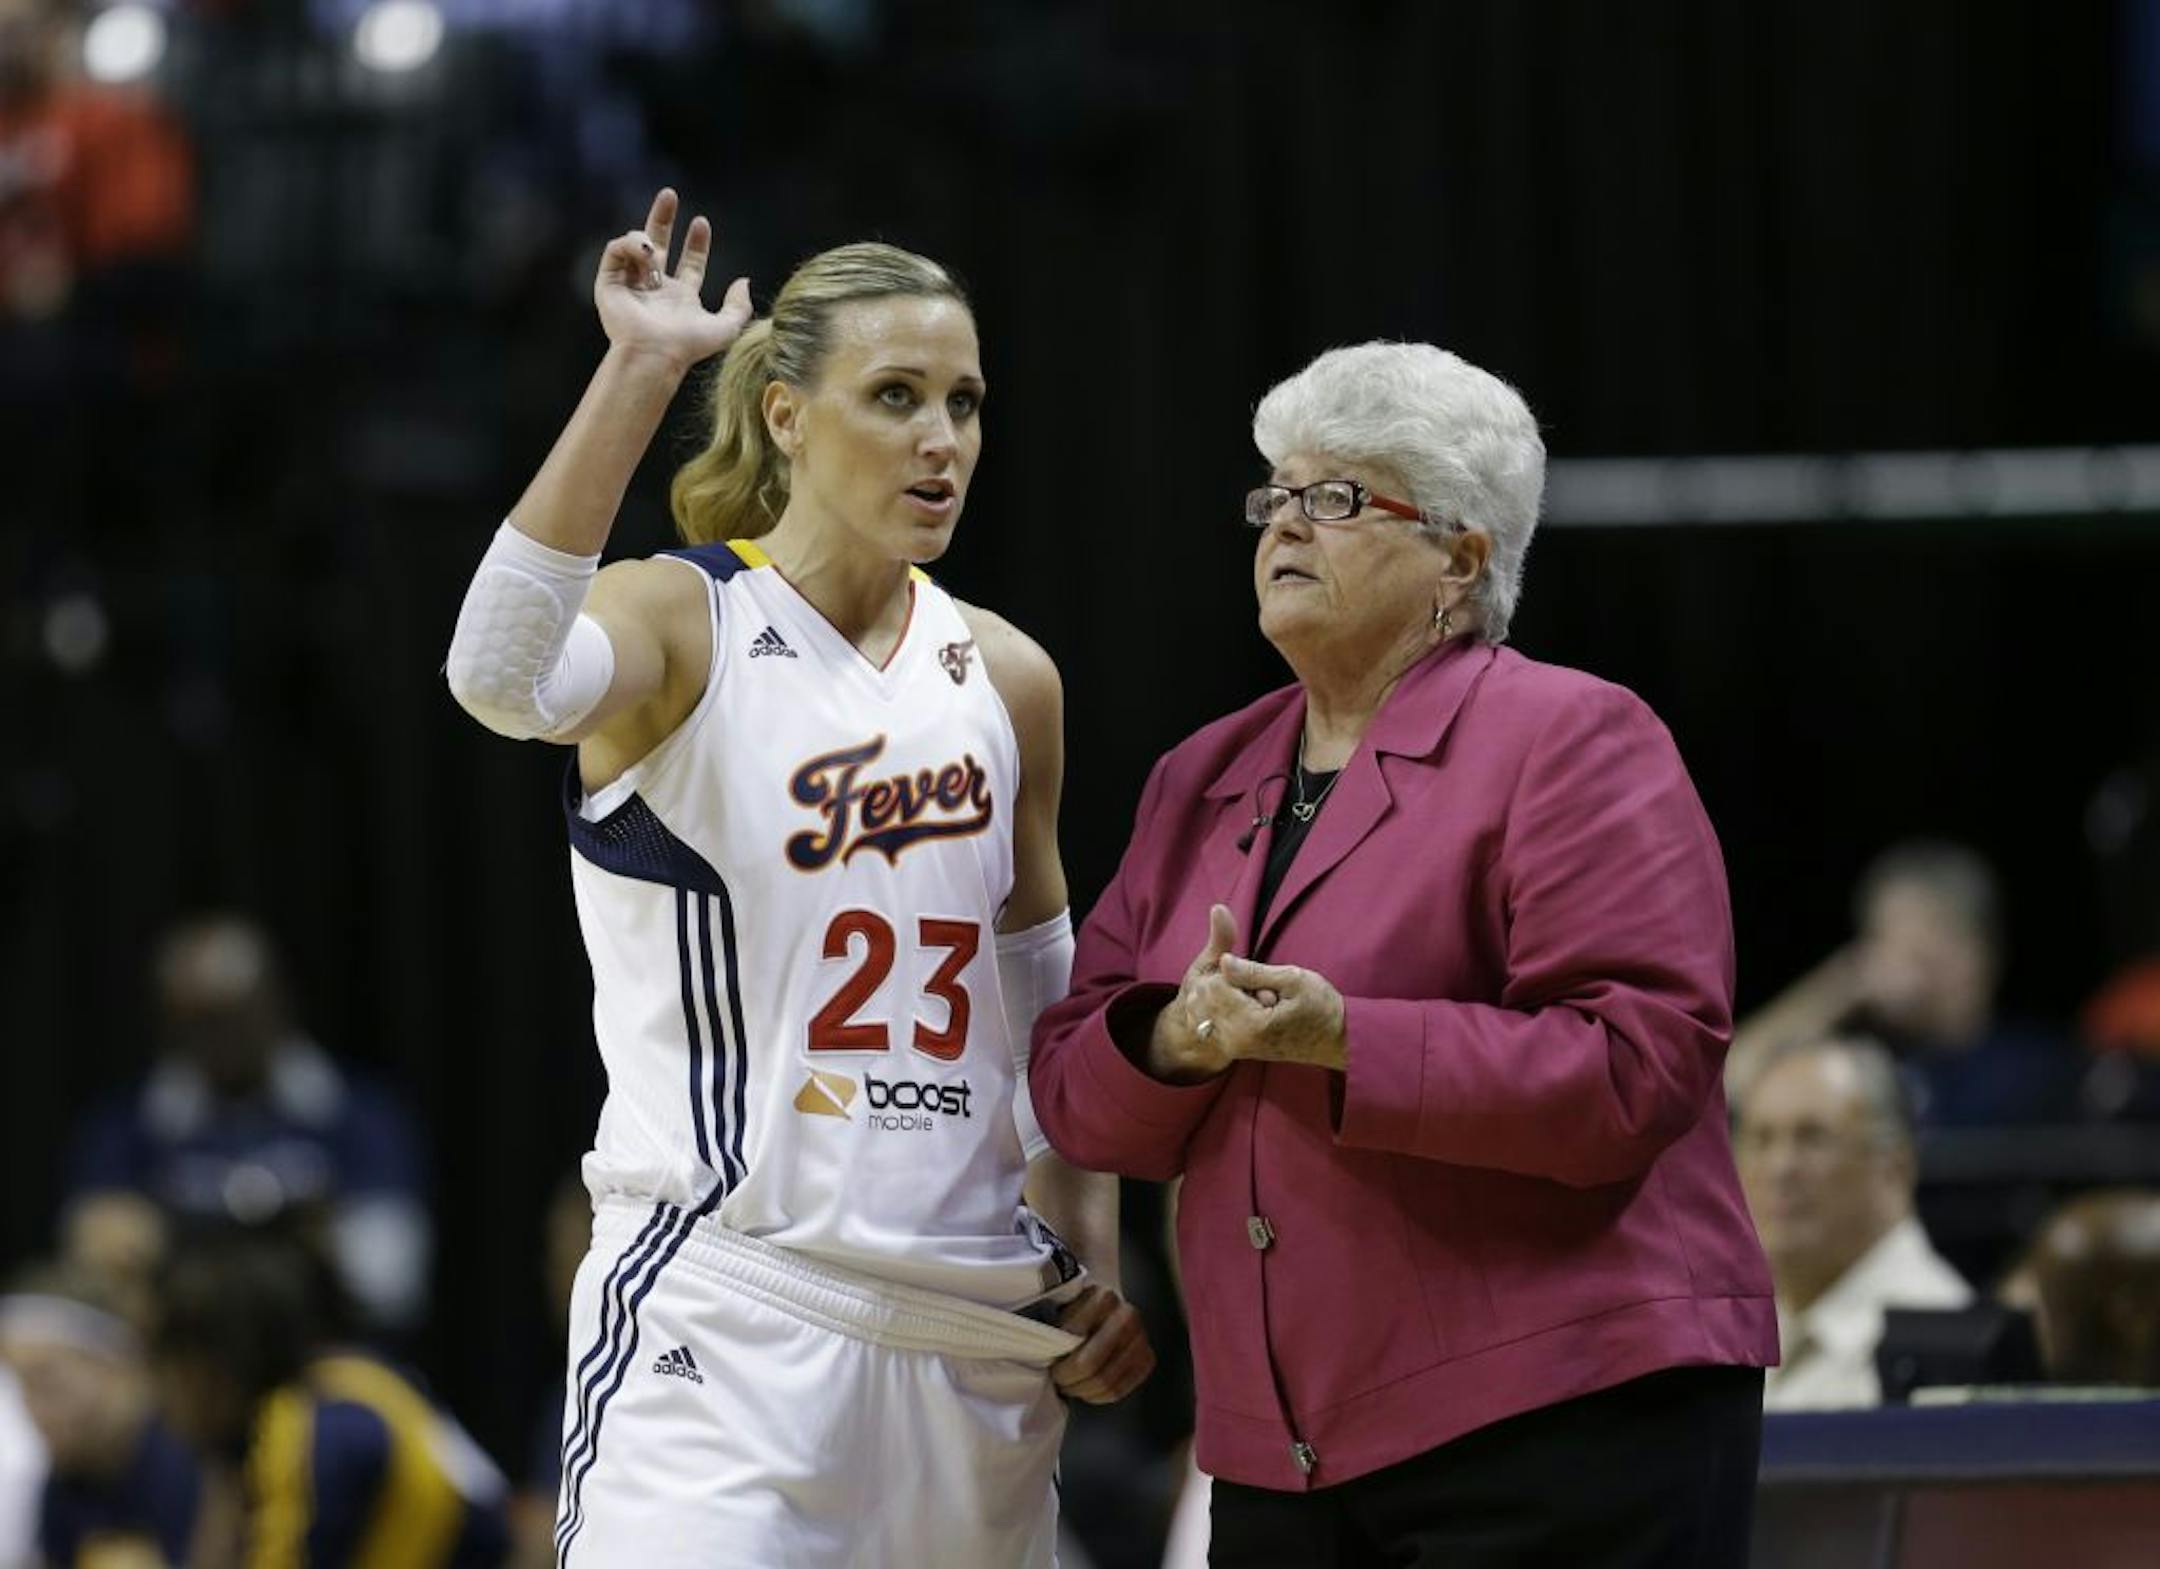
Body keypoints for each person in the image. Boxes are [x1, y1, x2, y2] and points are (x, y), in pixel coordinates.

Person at [444, 190, 1150, 1566]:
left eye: (965, 401)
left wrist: (1095, 1266)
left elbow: (1044, 1009)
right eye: (896, 396)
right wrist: (640, 370)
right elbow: (494, 673)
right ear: (785, 415)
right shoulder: (683, 620)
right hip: (735, 1310)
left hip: (976, 1338)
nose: (942, 439)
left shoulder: (1008, 676)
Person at [1030, 342, 1776, 1568]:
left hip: (1565, 1419)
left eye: (1337, 500)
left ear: (1461, 559)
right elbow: (1074, 1084)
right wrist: (1173, 1038)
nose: (1283, 526)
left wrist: (1344, 1036)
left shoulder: (1572, 737)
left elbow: (1638, 1067)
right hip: (1286, 1452)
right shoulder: (1202, 776)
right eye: (1275, 495)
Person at [66, 915, 431, 1335]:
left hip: (329, 1354)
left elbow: (388, 1284)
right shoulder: (127, 1126)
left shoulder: (358, 1116)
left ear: (277, 1002)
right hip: (186, 1364)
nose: (222, 1036)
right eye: (200, 1019)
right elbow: (96, 1276)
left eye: (236, 1014)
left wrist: (183, 1244)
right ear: (167, 1020)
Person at [149, 1232, 507, 1569]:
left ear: (211, 1368)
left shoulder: (309, 1427)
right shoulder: (353, 1379)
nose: (160, 1390)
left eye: (166, 1364)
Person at [1729, 840, 2079, 1124]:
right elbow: (1730, 1083)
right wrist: (1841, 986)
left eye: (1919, 949)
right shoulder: (1861, 1067)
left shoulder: (2039, 1069)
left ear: (1976, 953)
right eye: (1883, 946)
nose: (1895, 969)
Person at [1732, 1036, 1971, 1410]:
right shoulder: (1730, 1328)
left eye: (1812, 1139)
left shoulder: (1947, 1345)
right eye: (1761, 1140)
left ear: (1894, 1170)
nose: (1780, 1168)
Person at [0, 1261, 201, 1569]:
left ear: (116, 1365)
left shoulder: (193, 1469)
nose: (32, 1409)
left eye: (46, 1381)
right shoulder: (63, 1482)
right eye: (21, 1386)